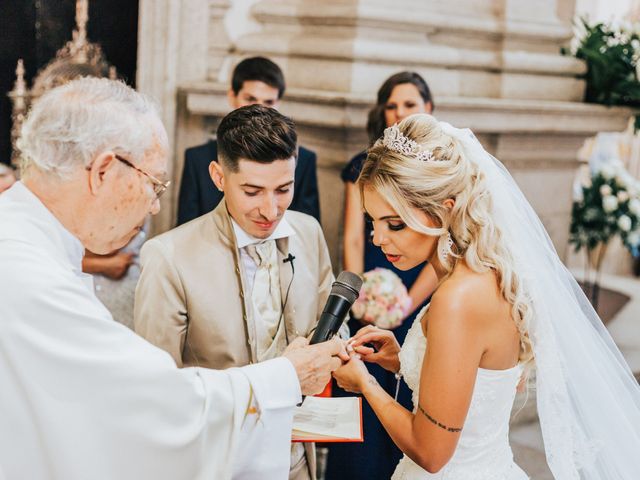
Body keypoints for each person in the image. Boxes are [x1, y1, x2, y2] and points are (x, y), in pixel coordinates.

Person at [0, 77, 348, 480]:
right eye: (153, 183)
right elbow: (152, 407)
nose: (155, 205)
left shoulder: (25, 242)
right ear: (103, 171)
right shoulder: (25, 271)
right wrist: (287, 377)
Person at [333, 113, 640, 479]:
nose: (378, 239)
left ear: (442, 211)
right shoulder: (485, 272)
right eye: (373, 222)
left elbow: (432, 453)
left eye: (394, 223)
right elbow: (476, 385)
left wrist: (364, 383)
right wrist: (402, 362)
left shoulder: (458, 298)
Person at [135, 104, 344, 479]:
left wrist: (330, 350)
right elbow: (156, 390)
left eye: (284, 189)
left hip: (296, 458)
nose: (270, 208)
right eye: (252, 191)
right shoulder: (168, 257)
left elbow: (327, 320)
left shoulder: (309, 231)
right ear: (218, 176)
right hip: (217, 464)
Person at [327, 71, 439, 480]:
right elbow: (355, 238)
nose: (399, 112)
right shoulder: (363, 167)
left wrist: (407, 301)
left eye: (409, 104)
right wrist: (363, 292)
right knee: (367, 376)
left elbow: (439, 251)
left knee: (417, 384)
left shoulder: (435, 179)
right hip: (372, 290)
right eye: (392, 105)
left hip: (415, 292)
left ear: (428, 108)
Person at [177, 56, 320, 225]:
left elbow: (306, 229)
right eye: (250, 99)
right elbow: (187, 228)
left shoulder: (304, 160)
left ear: (279, 102)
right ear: (232, 96)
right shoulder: (197, 158)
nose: (258, 109)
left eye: (269, 102)